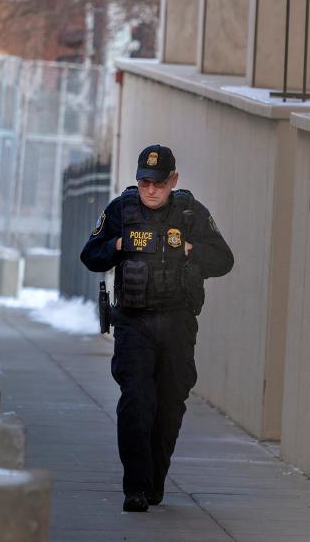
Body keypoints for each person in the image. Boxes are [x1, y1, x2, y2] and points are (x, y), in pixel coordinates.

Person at [80, 144, 234, 512]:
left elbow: (224, 260)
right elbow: (90, 254)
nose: (151, 190)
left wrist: (190, 249)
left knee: (168, 406)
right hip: (134, 323)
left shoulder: (190, 213)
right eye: (145, 181)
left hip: (178, 324)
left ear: (173, 180)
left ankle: (155, 479)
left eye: (159, 183)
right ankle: (135, 486)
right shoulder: (121, 209)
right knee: (136, 402)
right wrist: (118, 243)